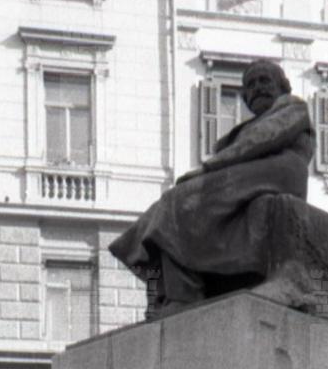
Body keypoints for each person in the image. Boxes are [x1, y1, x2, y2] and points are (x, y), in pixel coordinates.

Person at [110, 59, 315, 314]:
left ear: (282, 86)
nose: (258, 88)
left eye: (265, 81)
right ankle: (171, 290)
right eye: (251, 85)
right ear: (245, 96)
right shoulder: (244, 128)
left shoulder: (293, 106)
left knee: (181, 200)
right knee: (170, 204)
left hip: (279, 172)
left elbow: (261, 139)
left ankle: (184, 293)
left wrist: (209, 168)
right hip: (252, 171)